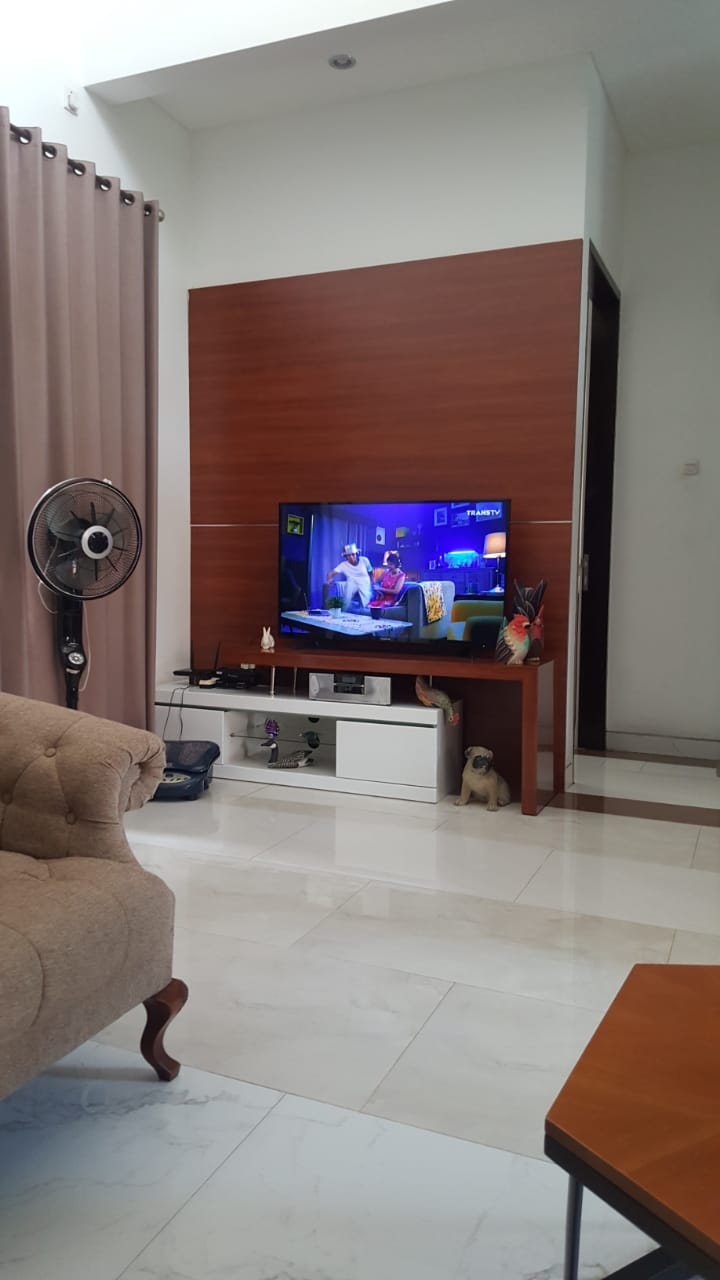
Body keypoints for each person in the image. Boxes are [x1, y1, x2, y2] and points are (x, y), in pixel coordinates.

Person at [326, 543, 373, 610]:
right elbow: (330, 574)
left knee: (366, 603)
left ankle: (365, 611)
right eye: (348, 555)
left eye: (353, 554)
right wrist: (329, 580)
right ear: (346, 557)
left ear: (356, 554)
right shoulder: (343, 565)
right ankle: (343, 611)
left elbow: (370, 571)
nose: (351, 557)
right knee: (346, 600)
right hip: (352, 582)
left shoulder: (364, 560)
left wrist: (372, 583)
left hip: (364, 581)